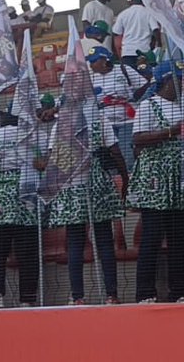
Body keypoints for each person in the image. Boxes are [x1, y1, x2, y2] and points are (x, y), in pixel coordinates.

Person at [44, 92, 125, 305]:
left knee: (75, 242)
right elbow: (115, 151)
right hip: (97, 186)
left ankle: (77, 296)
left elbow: (54, 159)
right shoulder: (99, 120)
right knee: (105, 241)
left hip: (72, 187)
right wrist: (124, 177)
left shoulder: (60, 126)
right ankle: (111, 294)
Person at [126, 61, 184, 303]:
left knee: (177, 235)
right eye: (178, 79)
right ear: (168, 81)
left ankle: (179, 290)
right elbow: (137, 139)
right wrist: (171, 132)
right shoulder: (149, 106)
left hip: (177, 179)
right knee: (152, 236)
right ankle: (145, 292)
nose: (182, 84)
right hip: (154, 180)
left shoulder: (183, 106)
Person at [0, 108, 41, 308]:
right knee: (27, 250)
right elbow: (45, 159)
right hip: (26, 192)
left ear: (4, 118)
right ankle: (27, 299)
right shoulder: (33, 133)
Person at [89, 46, 142, 173]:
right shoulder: (91, 78)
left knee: (127, 156)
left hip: (126, 121)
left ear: (104, 60)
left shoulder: (123, 70)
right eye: (90, 61)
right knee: (110, 160)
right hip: (106, 124)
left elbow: (143, 84)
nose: (91, 65)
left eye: (93, 61)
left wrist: (131, 98)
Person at [111, 0, 159, 68]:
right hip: (144, 53)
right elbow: (155, 30)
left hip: (127, 53)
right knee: (145, 77)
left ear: (132, 0)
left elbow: (115, 33)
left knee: (129, 78)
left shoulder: (123, 14)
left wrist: (115, 53)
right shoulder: (148, 13)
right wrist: (158, 44)